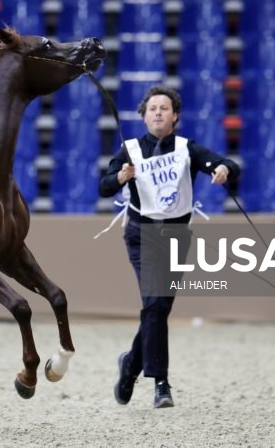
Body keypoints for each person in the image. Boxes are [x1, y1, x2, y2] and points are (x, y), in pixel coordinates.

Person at [98, 85, 240, 408]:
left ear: (175, 116)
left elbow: (228, 163)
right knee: (154, 304)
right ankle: (161, 384)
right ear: (144, 116)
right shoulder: (130, 150)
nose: (158, 112)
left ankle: (131, 364)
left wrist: (222, 170)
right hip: (141, 235)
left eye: (164, 108)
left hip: (177, 237)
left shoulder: (186, 149)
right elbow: (103, 187)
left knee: (158, 308)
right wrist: (120, 177)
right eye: (152, 109)